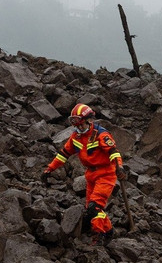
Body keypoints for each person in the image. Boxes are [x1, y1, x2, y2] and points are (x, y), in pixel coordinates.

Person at [42, 103, 125, 245]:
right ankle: (109, 230)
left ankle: (98, 237)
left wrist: (120, 167)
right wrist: (49, 169)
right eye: (77, 126)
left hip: (106, 175)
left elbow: (113, 152)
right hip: (91, 176)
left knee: (95, 207)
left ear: (89, 121)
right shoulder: (76, 137)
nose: (79, 128)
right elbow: (64, 154)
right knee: (91, 209)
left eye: (81, 125)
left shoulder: (101, 134)